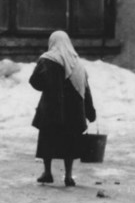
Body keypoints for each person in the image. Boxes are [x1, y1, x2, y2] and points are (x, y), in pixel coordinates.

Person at [29, 30, 96, 187]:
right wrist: (90, 112)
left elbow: (34, 81)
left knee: (47, 139)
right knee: (69, 142)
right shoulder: (78, 63)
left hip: (51, 109)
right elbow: (85, 89)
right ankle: (69, 176)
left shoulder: (48, 59)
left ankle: (47, 173)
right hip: (73, 111)